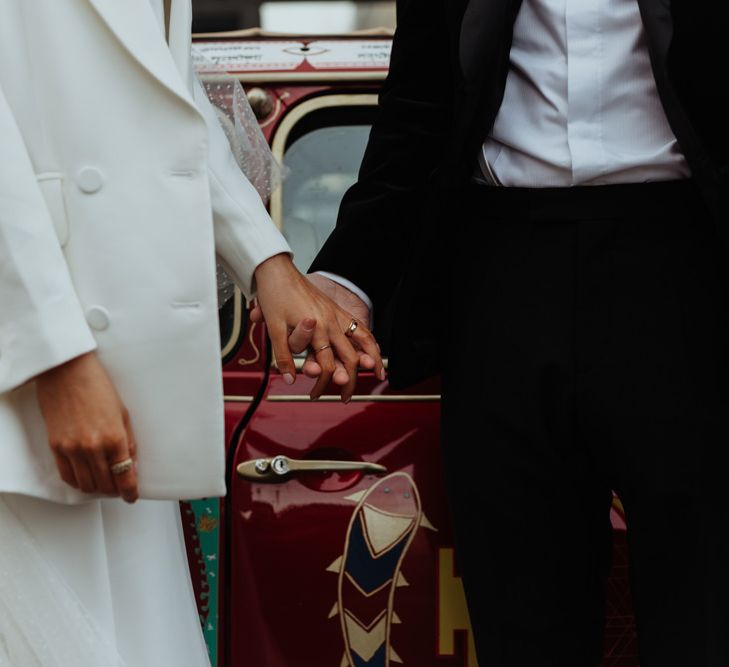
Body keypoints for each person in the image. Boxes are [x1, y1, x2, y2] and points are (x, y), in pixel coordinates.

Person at [303, 0, 729, 665]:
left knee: (706, 607)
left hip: (683, 264)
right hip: (499, 271)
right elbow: (419, 102)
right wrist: (347, 273)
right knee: (521, 612)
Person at [0, 0, 382, 665]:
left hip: (120, 365)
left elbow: (165, 104)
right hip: (36, 364)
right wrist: (53, 357)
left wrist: (266, 258)